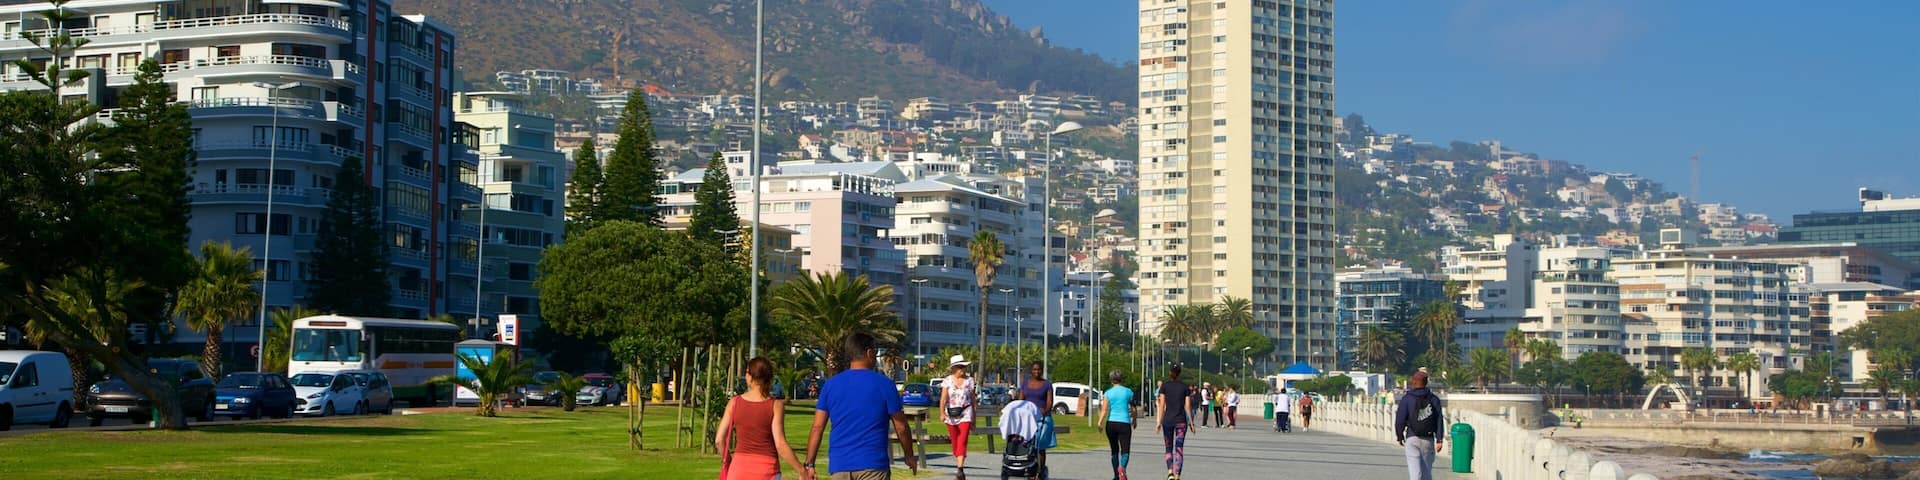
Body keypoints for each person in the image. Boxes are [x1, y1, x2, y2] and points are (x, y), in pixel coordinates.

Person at [805, 333, 918, 479]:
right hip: (873, 464)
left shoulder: (831, 385)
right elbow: (901, 426)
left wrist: (810, 464)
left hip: (840, 465)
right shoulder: (885, 385)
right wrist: (908, 455)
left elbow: (817, 427)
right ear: (869, 353)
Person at [716, 357, 809, 480]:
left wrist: (728, 460)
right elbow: (780, 444)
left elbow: (719, 440)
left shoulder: (734, 403)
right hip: (766, 469)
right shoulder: (775, 405)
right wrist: (802, 471)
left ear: (749, 377)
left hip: (738, 469)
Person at [1395, 371, 1446, 480]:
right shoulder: (1434, 399)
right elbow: (1439, 419)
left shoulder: (1407, 399)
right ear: (1426, 382)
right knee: (1426, 472)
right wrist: (1439, 439)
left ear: (1413, 382)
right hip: (1428, 439)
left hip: (1412, 438)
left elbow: (1400, 419)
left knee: (1415, 473)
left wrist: (1399, 436)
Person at [937, 354, 976, 474]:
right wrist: (942, 413)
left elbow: (973, 400)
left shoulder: (969, 381)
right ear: (953, 369)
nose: (962, 370)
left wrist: (974, 417)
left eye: (963, 367)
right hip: (951, 414)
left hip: (966, 413)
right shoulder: (947, 381)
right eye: (959, 367)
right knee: (955, 441)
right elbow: (943, 399)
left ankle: (960, 468)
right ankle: (958, 457)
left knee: (963, 439)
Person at [1015, 361, 1056, 471]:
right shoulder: (1025, 383)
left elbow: (1049, 402)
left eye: (1038, 369)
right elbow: (1021, 399)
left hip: (1043, 417)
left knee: (1039, 444)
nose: (1036, 371)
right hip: (1028, 417)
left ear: (1042, 370)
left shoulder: (1047, 384)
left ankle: (1040, 470)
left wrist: (1044, 411)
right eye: (1034, 369)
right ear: (1031, 370)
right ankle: (1028, 467)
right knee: (1026, 443)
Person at [1155, 366, 1194, 480]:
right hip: (1181, 421)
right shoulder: (1185, 387)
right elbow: (1188, 406)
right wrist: (1191, 422)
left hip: (1168, 421)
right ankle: (1177, 475)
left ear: (1170, 373)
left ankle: (1170, 472)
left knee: (1168, 447)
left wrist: (1159, 421)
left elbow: (1162, 405)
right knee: (1179, 448)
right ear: (1180, 373)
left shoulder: (1164, 386)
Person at [1098, 370, 1137, 480]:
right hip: (1124, 423)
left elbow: (1104, 409)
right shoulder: (1128, 392)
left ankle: (1116, 475)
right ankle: (1122, 468)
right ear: (1122, 379)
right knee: (1125, 450)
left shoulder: (1108, 393)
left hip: (1111, 423)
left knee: (1114, 450)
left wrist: (1100, 422)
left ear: (1111, 380)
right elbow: (1133, 408)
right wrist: (1134, 420)